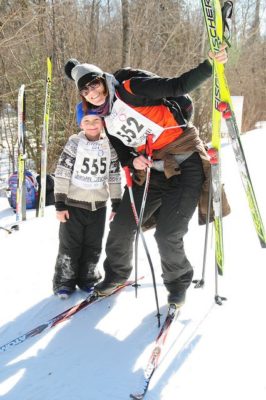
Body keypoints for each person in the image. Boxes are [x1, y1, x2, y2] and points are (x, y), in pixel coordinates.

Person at [63, 45, 229, 306]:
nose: (92, 93)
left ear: (103, 80)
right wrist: (132, 159)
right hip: (154, 170)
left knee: (167, 234)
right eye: (85, 90)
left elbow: (178, 86)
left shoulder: (130, 89)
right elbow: (119, 145)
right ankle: (116, 275)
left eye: (94, 84)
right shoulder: (103, 115)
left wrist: (209, 66)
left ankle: (178, 283)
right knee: (121, 227)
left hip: (186, 164)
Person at [53, 110, 122, 299]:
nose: (92, 124)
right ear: (80, 124)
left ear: (103, 123)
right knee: (70, 246)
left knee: (93, 245)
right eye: (87, 120)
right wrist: (60, 204)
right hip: (73, 205)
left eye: (96, 120)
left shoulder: (110, 146)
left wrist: (116, 202)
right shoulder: (74, 143)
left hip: (98, 206)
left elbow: (114, 176)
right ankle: (64, 282)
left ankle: (88, 278)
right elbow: (62, 172)